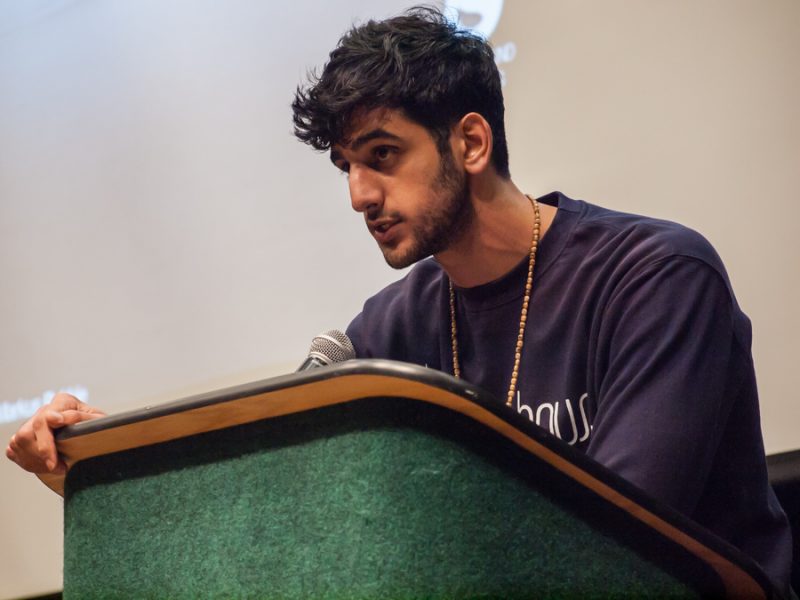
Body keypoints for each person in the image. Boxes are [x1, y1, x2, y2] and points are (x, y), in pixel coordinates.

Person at [6, 6, 793, 594]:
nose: (357, 195)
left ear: (471, 144)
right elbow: (298, 520)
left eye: (382, 157)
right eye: (347, 165)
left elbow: (615, 548)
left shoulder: (655, 278)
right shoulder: (384, 331)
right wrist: (115, 467)